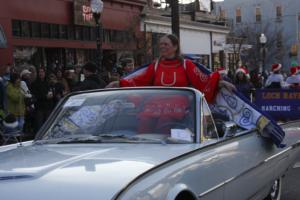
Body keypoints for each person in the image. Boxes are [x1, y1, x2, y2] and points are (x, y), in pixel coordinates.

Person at [108, 34, 234, 103]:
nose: (162, 46)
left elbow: (203, 81)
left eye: (166, 44)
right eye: (160, 44)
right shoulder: (155, 65)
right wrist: (119, 83)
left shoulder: (187, 65)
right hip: (154, 108)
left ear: (175, 47)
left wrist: (219, 83)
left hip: (181, 112)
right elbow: (140, 81)